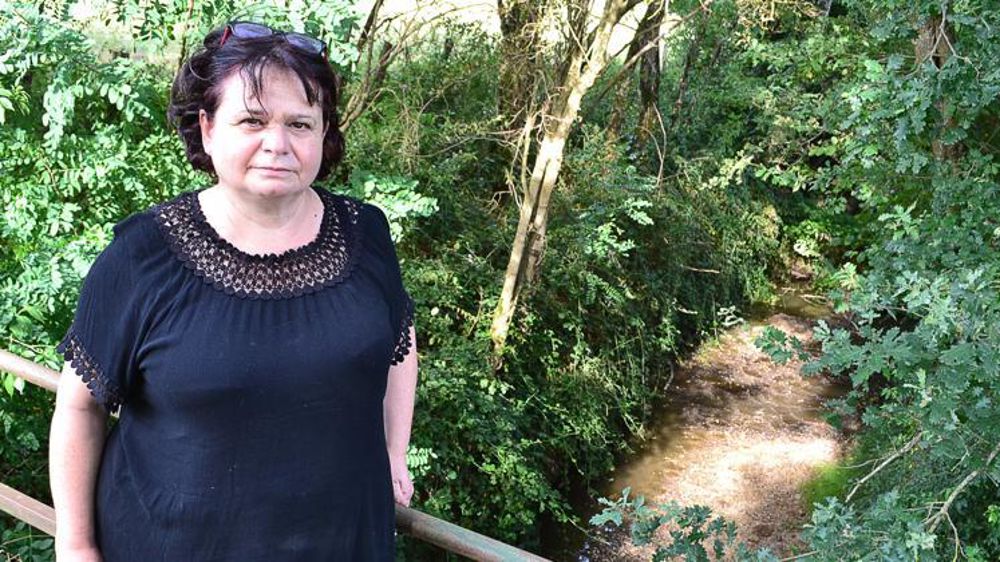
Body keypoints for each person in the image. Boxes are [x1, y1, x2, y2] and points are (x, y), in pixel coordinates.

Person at [48, 21, 418, 561]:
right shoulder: (143, 255)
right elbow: (80, 408)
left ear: (324, 134)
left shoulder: (367, 234)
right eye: (252, 120)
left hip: (343, 542)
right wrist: (76, 546)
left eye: (300, 123)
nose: (278, 144)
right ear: (207, 127)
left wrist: (395, 450)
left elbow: (400, 342)